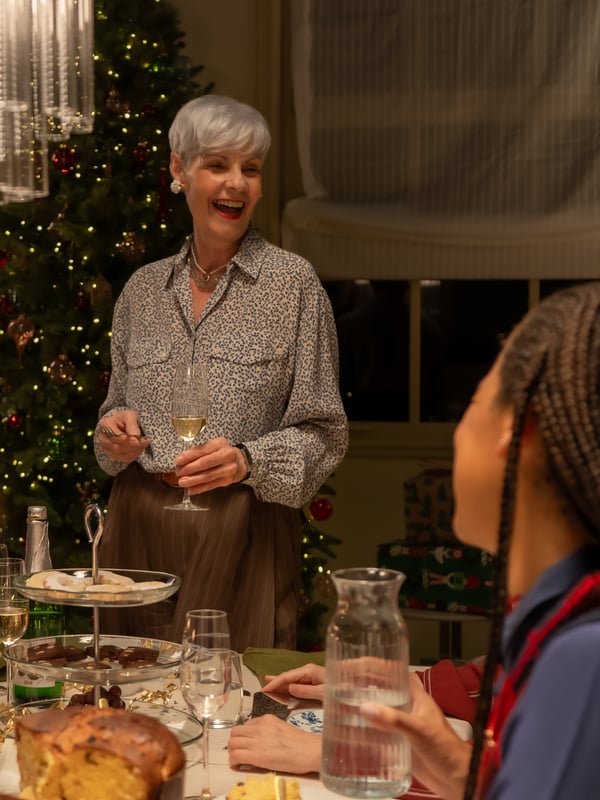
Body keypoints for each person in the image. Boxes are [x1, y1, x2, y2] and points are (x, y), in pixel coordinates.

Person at [93, 94, 348, 652]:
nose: (236, 183)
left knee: (229, 709)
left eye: (250, 169)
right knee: (128, 700)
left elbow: (325, 434)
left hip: (243, 534)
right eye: (217, 165)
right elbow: (111, 422)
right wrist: (114, 437)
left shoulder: (294, 286)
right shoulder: (141, 292)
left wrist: (247, 460)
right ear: (179, 171)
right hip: (135, 524)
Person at [357, 282, 600, 798]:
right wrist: (453, 767)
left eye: (472, 403)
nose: (456, 432)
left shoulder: (584, 661)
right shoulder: (554, 617)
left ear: (518, 431)